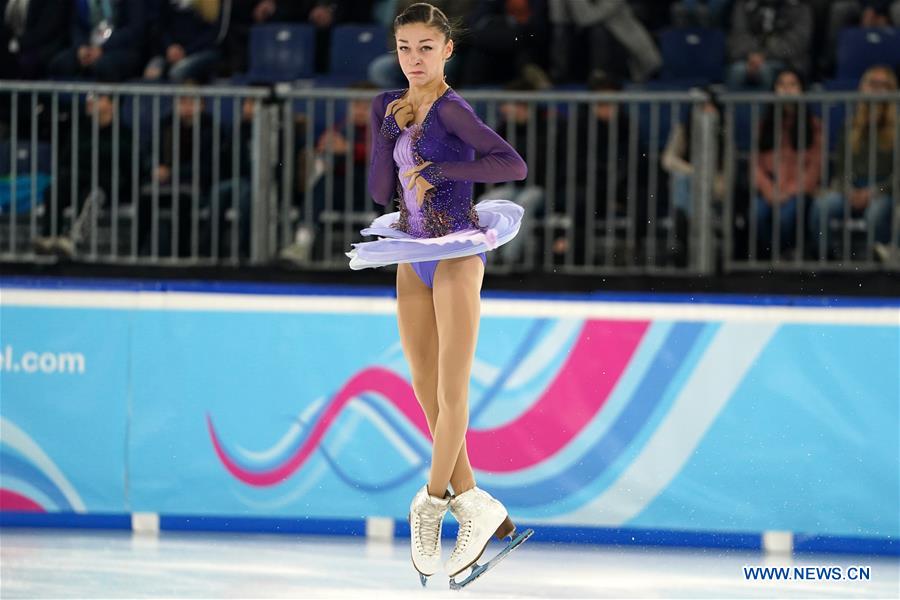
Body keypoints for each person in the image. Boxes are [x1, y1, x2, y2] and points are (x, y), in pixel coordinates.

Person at [347, 2, 528, 585]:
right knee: (425, 390)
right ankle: (475, 503)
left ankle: (429, 505)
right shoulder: (388, 105)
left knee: (452, 390)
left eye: (426, 47)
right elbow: (381, 190)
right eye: (405, 47)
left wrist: (443, 174)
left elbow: (512, 163)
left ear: (447, 50)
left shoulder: (454, 110)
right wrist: (389, 131)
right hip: (410, 252)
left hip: (455, 252)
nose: (414, 59)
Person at [809, 65, 897, 260]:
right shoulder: (850, 125)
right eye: (872, 84)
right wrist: (849, 190)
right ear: (862, 87)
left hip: (885, 190)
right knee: (822, 206)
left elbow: (897, 176)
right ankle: (827, 259)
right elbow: (842, 169)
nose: (876, 90)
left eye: (883, 85)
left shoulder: (898, 127)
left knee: (875, 213)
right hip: (853, 188)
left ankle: (875, 259)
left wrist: (874, 192)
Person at [752, 68, 822, 257]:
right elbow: (755, 166)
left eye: (792, 85)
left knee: (787, 216)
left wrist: (790, 191)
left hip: (797, 191)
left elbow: (815, 167)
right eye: (782, 84)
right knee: (756, 213)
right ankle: (770, 256)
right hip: (771, 189)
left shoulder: (814, 125)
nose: (787, 89)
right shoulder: (763, 125)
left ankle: (785, 253)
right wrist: (769, 190)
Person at [726, 0, 812, 90]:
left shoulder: (799, 7)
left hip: (787, 62)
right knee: (737, 70)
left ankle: (768, 104)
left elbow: (794, 44)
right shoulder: (744, 4)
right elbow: (738, 36)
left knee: (765, 70)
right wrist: (753, 54)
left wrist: (764, 54)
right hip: (748, 58)